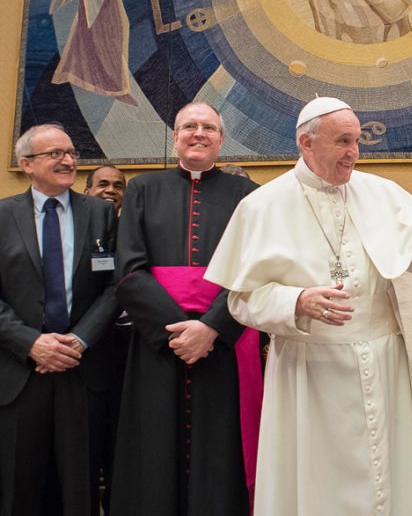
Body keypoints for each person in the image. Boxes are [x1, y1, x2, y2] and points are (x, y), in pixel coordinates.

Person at [205, 96, 412, 515]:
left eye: (357, 141)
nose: (354, 152)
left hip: (382, 362)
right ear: (306, 143)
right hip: (310, 370)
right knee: (317, 485)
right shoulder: (262, 205)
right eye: (343, 141)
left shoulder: (380, 192)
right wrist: (296, 301)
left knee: (385, 478)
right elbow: (241, 301)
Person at [110, 102, 259, 516]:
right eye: (189, 126)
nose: (198, 133)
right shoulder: (142, 189)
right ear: (174, 136)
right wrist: (178, 331)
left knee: (222, 445)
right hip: (161, 341)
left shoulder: (247, 195)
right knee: (155, 442)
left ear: (221, 140)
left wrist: (210, 328)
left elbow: (254, 272)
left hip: (224, 340)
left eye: (208, 127)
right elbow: (128, 271)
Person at [0, 124, 119, 515]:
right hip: (20, 373)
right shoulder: (2, 216)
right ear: (26, 164)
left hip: (81, 369)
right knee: (19, 487)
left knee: (80, 488)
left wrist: (80, 339)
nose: (68, 161)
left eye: (71, 153)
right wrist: (30, 342)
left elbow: (117, 286)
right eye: (55, 154)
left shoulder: (102, 214)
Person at [82, 162, 128, 514]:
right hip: (81, 352)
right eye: (103, 184)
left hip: (127, 355)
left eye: (118, 185)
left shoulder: (135, 230)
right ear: (87, 190)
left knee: (121, 447)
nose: (110, 190)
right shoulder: (79, 228)